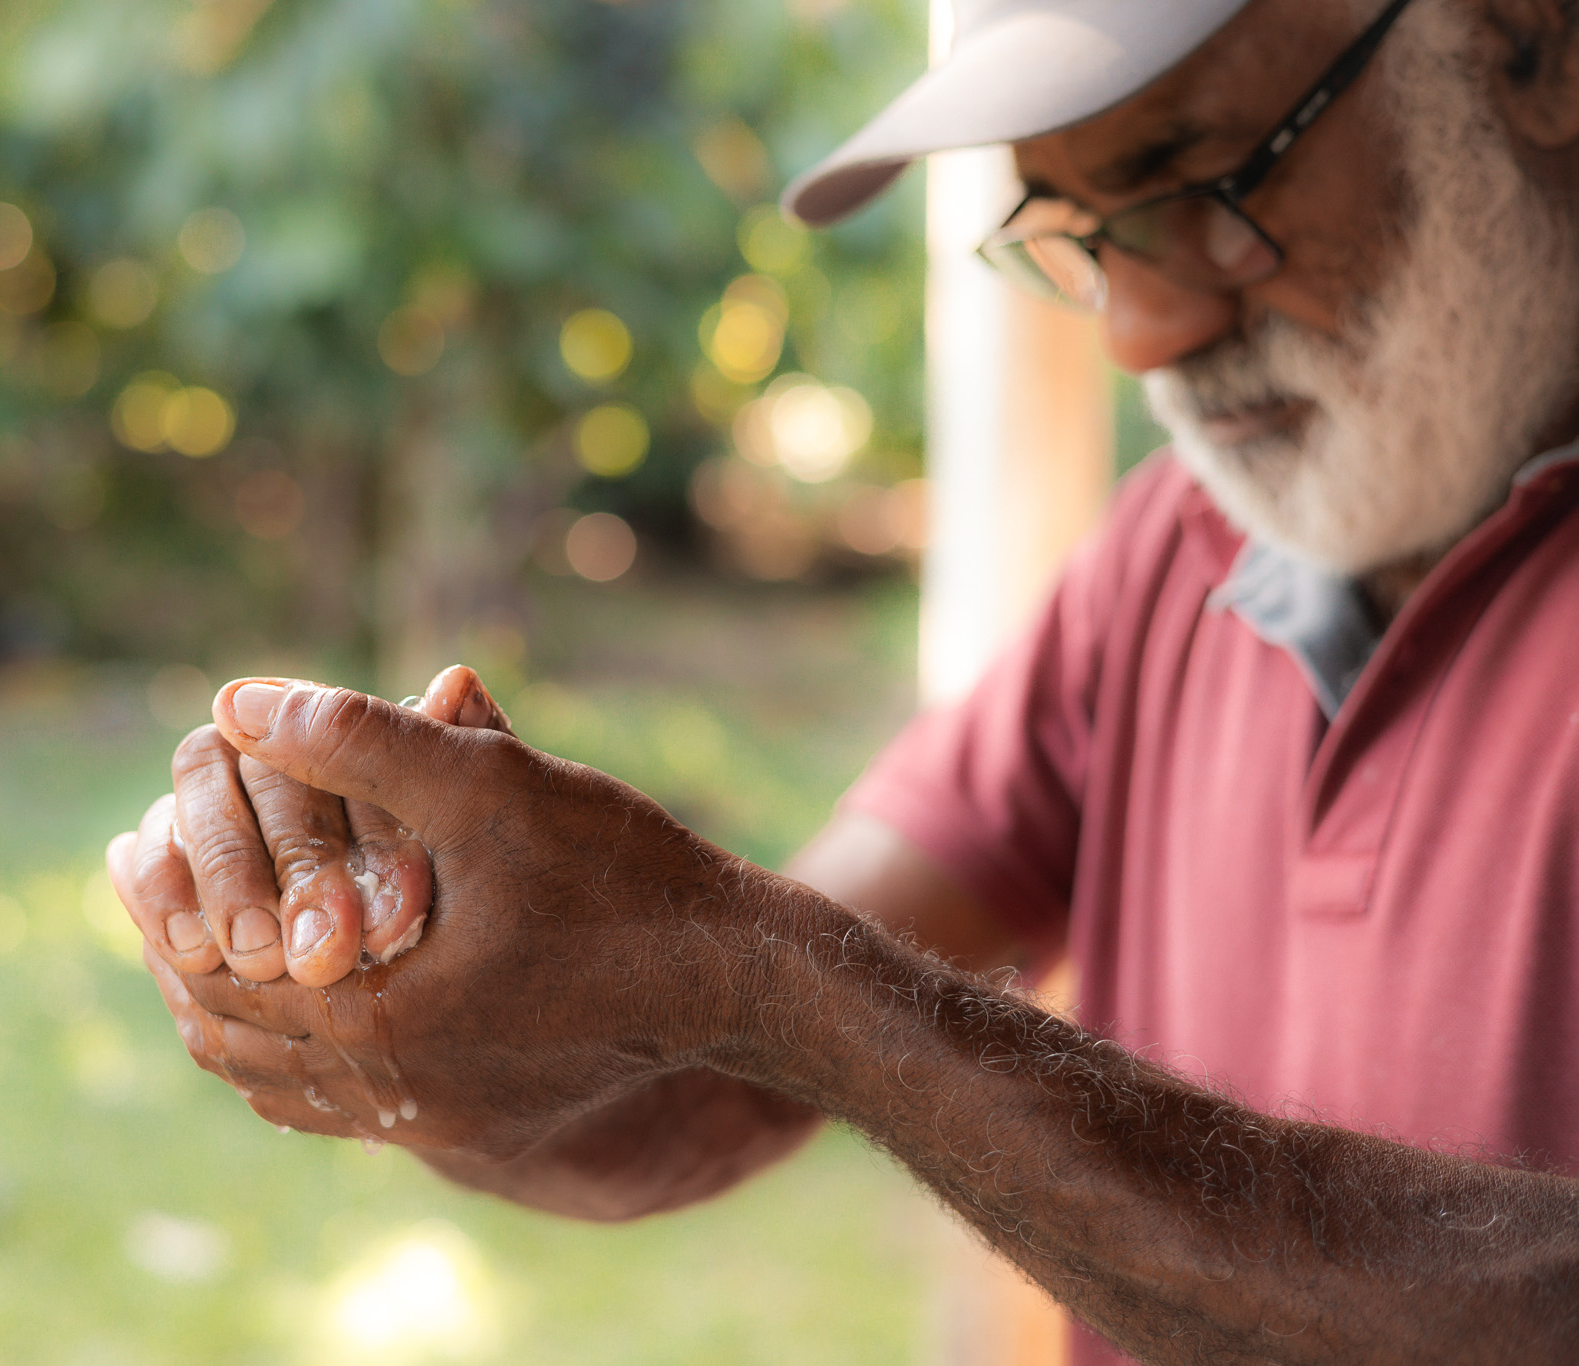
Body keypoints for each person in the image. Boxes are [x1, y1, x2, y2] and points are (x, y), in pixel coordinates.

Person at [106, 0, 1579, 1360]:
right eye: (1077, 229)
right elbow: (693, 1096)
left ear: (1530, 45)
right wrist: (413, 966)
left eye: (1210, 184)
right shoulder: (1174, 556)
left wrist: (756, 975)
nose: (1143, 331)